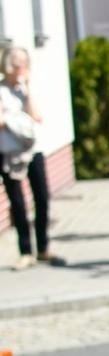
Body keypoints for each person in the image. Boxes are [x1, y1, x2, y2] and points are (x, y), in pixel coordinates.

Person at [1, 46, 60, 270]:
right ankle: (25, 251)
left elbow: (36, 116)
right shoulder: (1, 90)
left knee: (42, 197)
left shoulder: (29, 89)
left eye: (25, 63)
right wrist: (16, 120)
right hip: (10, 153)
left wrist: (28, 90)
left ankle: (43, 247)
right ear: (8, 65)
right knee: (17, 202)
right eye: (18, 64)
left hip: (33, 150)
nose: (22, 68)